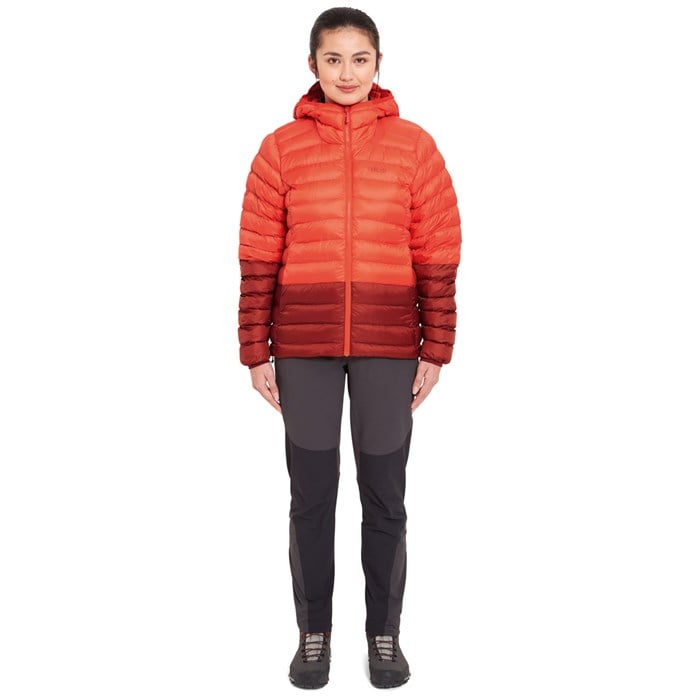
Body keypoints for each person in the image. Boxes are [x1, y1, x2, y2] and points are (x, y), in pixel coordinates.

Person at [237, 6, 461, 690]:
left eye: (359, 59)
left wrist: (436, 348)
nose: (346, 72)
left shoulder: (415, 147)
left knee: (385, 495)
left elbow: (438, 253)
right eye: (332, 59)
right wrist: (254, 350)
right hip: (301, 343)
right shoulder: (280, 149)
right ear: (312, 65)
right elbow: (257, 255)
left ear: (378, 64)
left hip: (389, 344)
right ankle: (314, 633)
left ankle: (383, 634)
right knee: (311, 496)